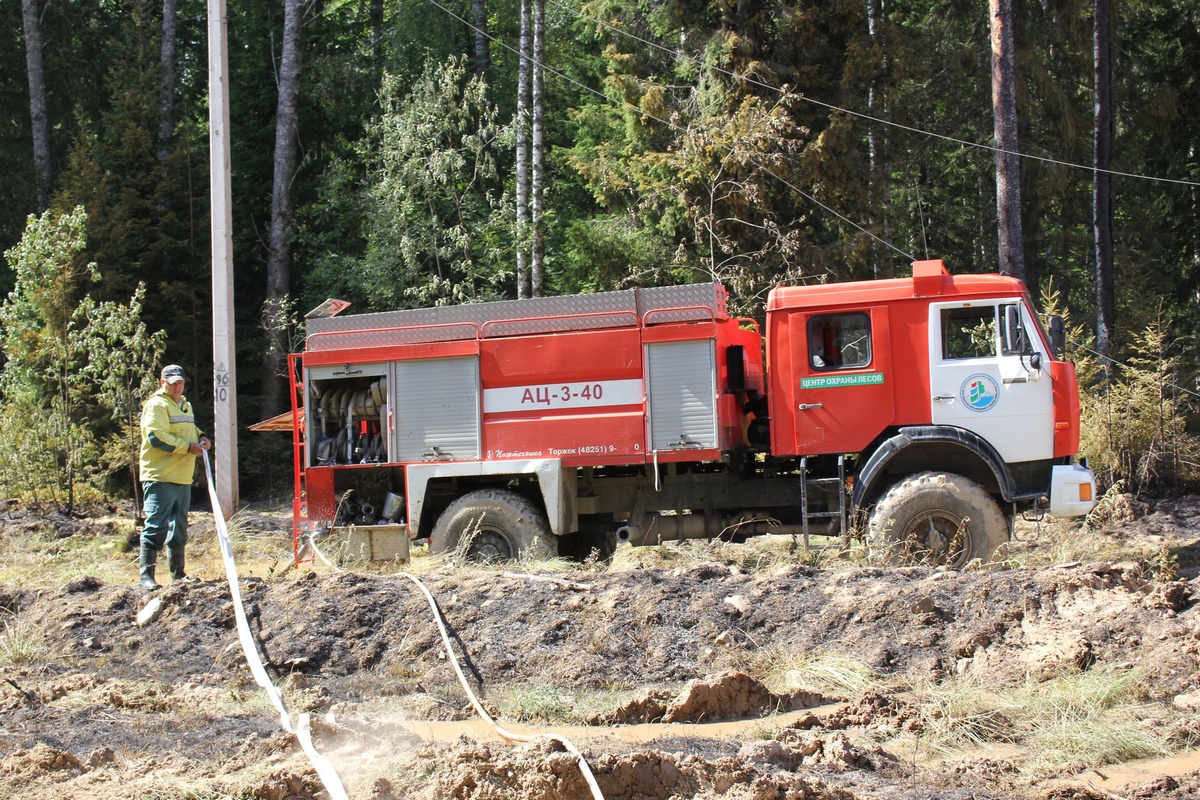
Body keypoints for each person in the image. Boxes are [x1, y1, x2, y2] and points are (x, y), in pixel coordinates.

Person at [137, 364, 211, 591]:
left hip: (182, 477)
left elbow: (189, 428)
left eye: (180, 383)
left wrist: (202, 437)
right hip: (160, 476)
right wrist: (189, 448)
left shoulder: (184, 404)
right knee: (156, 525)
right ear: (162, 383)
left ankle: (178, 574)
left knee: (179, 527)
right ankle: (146, 577)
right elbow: (156, 438)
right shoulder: (157, 405)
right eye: (172, 383)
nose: (177, 387)